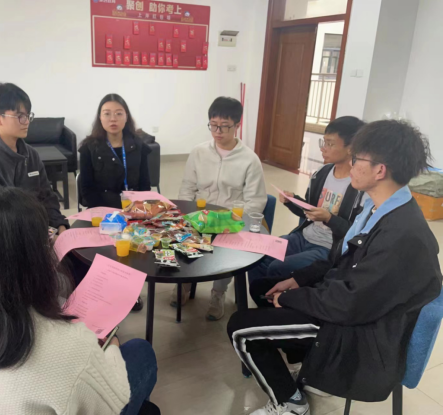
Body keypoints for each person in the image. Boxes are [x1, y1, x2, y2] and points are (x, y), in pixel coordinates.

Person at [227, 120, 442, 415]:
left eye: (357, 159)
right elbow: (339, 260)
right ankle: (307, 366)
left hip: (359, 332)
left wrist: (291, 297)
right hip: (350, 304)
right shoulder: (377, 208)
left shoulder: (402, 235)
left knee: (239, 327)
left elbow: (348, 304)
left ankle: (290, 402)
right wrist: (298, 280)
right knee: (264, 287)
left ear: (380, 170)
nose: (350, 165)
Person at [0, 187, 158, 415]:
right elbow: (108, 405)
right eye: (47, 239)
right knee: (141, 351)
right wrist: (113, 346)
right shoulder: (70, 347)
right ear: (35, 258)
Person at [176, 96, 267, 320]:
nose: (217, 131)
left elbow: (256, 200)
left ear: (237, 125)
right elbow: (187, 188)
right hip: (199, 216)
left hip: (230, 220)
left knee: (226, 249)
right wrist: (186, 214)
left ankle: (218, 293)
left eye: (224, 126)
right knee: (180, 237)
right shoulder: (198, 152)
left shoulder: (250, 160)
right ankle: (184, 284)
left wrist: (231, 220)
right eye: (213, 125)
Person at [248, 116, 366, 285]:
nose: (323, 148)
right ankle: (263, 297)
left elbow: (355, 233)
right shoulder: (322, 173)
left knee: (277, 267)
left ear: (351, 148)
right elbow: (309, 211)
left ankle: (276, 296)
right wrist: (292, 201)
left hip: (328, 247)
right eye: (323, 142)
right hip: (304, 236)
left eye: (330, 144)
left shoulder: (360, 186)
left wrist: (329, 218)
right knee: (257, 254)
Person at [0, 82, 69, 233]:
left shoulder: (30, 154)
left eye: (27, 116)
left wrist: (60, 226)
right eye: (19, 116)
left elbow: (47, 196)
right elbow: (2, 217)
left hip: (38, 231)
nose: (26, 122)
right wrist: (47, 236)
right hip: (6, 237)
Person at [78, 93, 152, 209]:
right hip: (102, 209)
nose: (113, 119)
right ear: (100, 117)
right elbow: (87, 190)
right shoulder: (89, 148)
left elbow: (145, 184)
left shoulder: (138, 145)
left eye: (119, 113)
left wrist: (137, 209)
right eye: (107, 114)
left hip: (134, 208)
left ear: (126, 117)